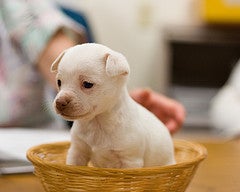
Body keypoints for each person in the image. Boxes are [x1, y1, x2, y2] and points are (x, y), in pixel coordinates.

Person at [0, 0, 185, 134]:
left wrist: (120, 103)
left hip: (33, 146)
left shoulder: (18, 6)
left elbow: (49, 45)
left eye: (87, 84)